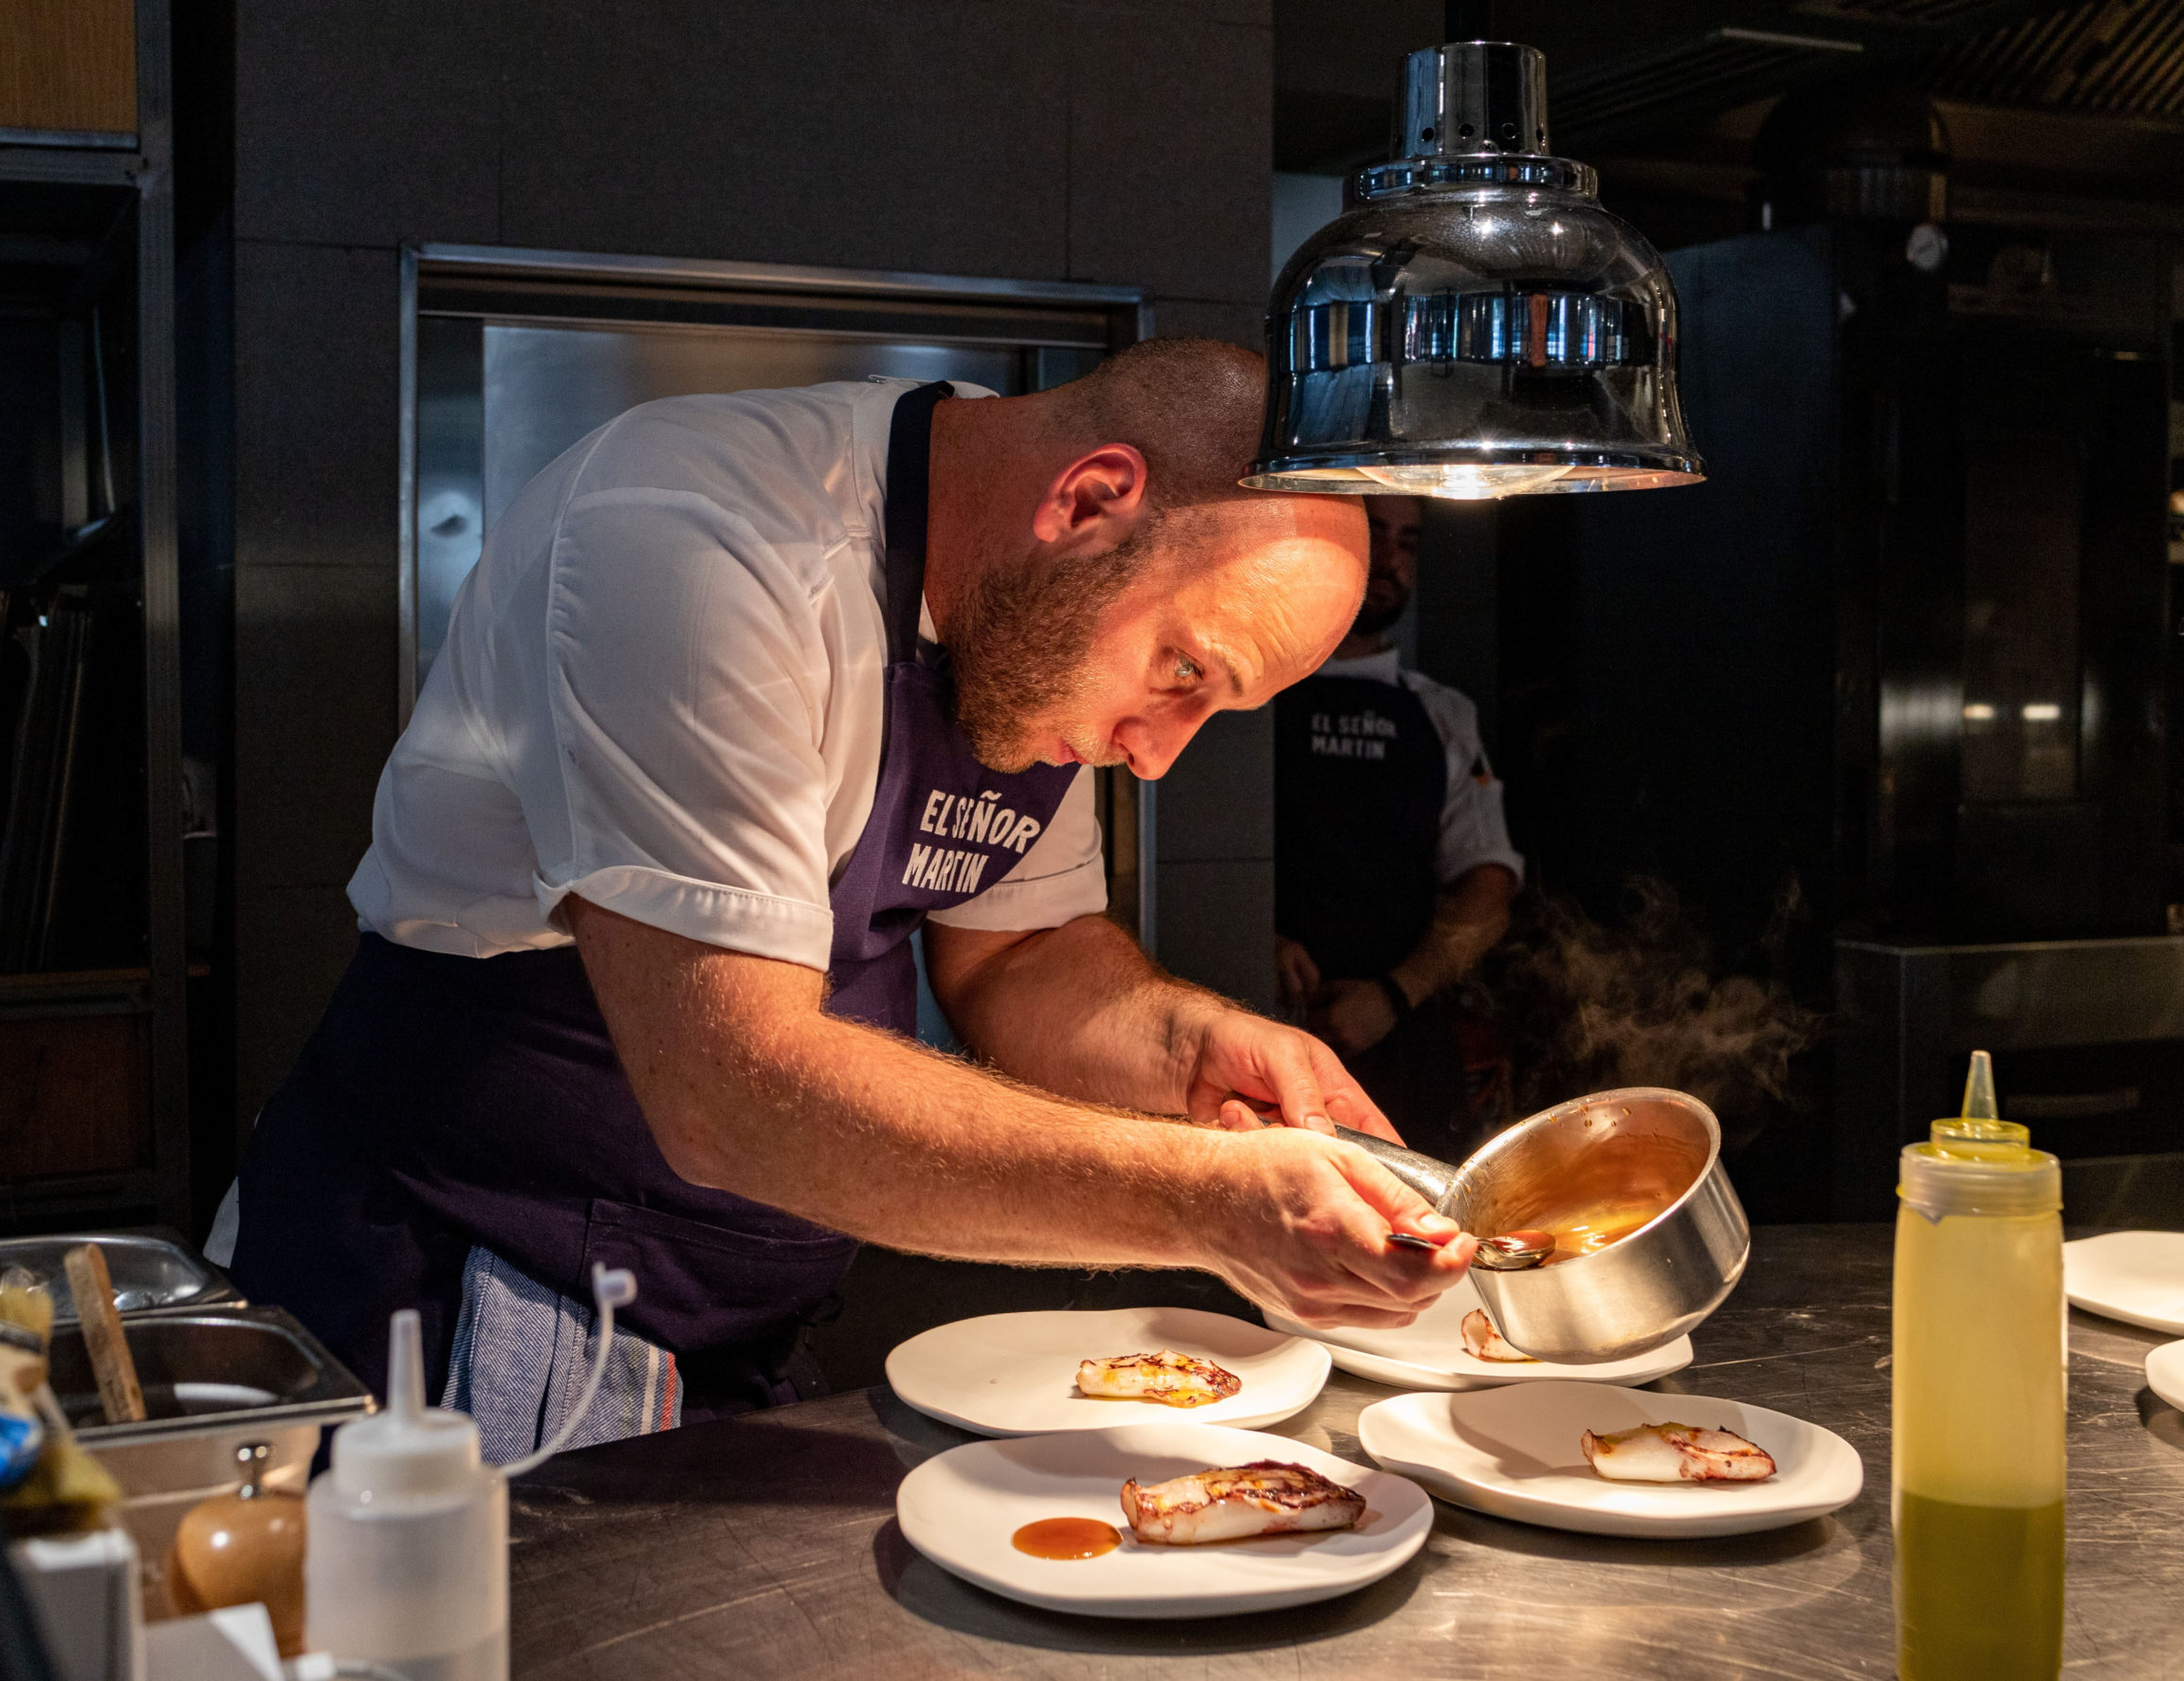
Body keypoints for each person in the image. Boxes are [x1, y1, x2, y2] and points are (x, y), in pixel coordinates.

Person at [228, 341, 1477, 1451]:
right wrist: (1205, 1207)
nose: (1157, 754)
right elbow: (730, 1087)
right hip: (473, 1301)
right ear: (1091, 500)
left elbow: (1020, 957)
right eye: (1184, 673)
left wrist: (1196, 1050)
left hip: (731, 1314)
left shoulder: (1026, 611)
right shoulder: (691, 543)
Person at [1273, 495, 1522, 1162]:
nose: (1391, 560)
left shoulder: (1440, 715)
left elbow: (1488, 891)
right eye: (1373, 535)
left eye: (1408, 543)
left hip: (1404, 1052)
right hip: (1261, 1032)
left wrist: (1390, 995)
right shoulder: (1251, 695)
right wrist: (1251, 941)